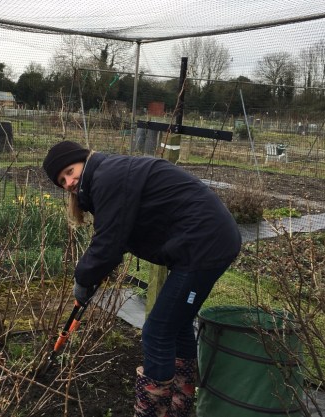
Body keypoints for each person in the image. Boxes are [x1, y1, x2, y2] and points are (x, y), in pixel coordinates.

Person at [42, 140, 242, 417]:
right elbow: (119, 236)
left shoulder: (107, 177)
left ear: (83, 160)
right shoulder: (107, 176)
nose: (68, 182)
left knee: (157, 333)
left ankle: (154, 412)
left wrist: (83, 279)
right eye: (61, 180)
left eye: (69, 171)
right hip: (200, 243)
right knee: (178, 324)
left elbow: (109, 242)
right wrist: (94, 274)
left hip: (204, 245)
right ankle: (178, 407)